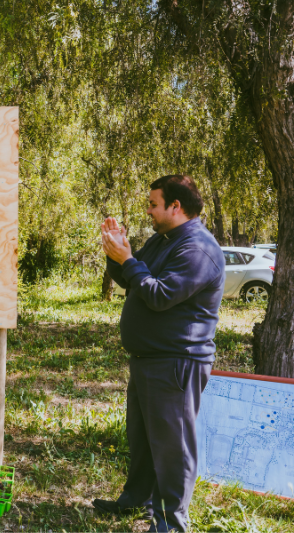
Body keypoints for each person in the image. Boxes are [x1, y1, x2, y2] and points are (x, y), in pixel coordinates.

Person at [93, 175, 226, 532]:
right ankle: (135, 500)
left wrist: (128, 259)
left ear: (175, 206)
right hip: (149, 359)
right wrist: (116, 254)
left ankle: (170, 523)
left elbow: (159, 295)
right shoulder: (163, 239)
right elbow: (129, 278)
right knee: (143, 440)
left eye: (153, 204)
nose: (148, 211)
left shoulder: (197, 248)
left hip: (176, 363)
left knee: (172, 448)